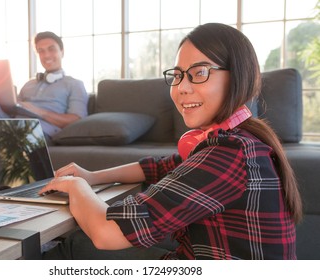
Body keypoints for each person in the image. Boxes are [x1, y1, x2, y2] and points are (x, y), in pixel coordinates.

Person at [38, 23, 303, 260]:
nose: (182, 88)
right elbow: (157, 167)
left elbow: (107, 233)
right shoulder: (238, 139)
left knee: (76, 246)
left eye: (199, 73)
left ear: (238, 76)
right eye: (177, 75)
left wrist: (77, 186)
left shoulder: (229, 153)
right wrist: (92, 175)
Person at [0, 31, 89, 178]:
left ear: (62, 51)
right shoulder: (28, 84)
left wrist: (39, 111)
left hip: (39, 128)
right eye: (41, 51)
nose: (46, 55)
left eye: (51, 49)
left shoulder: (74, 84)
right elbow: (12, 109)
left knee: (16, 129)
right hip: (13, 122)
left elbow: (76, 119)